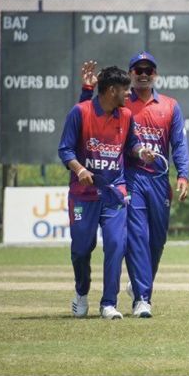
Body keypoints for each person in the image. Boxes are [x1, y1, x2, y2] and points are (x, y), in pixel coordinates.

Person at [79, 52, 189, 318]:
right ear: (130, 74)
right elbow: (86, 117)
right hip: (131, 177)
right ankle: (142, 298)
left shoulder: (170, 106)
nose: (143, 74)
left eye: (148, 70)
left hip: (158, 181)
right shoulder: (121, 104)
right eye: (137, 70)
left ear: (156, 74)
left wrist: (183, 174)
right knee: (138, 237)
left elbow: (180, 144)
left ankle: (141, 283)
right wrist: (87, 90)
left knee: (157, 241)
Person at [58, 66, 155, 320]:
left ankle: (109, 303)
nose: (128, 94)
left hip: (114, 192)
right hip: (83, 194)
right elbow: (65, 150)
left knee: (115, 245)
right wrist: (79, 170)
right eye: (125, 90)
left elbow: (132, 144)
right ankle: (81, 292)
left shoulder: (125, 115)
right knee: (81, 248)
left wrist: (141, 151)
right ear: (112, 90)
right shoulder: (80, 112)